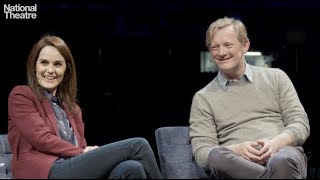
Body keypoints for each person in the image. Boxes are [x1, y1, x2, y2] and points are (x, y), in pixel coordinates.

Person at [7, 35, 163, 179]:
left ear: (66, 70)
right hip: (45, 171)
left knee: (132, 168)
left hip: (72, 168)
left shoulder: (72, 108)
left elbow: (79, 147)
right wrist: (82, 152)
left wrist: (82, 153)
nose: (50, 70)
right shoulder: (21, 95)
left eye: (57, 64)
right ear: (34, 66)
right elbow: (42, 139)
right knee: (138, 145)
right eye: (44, 62)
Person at [189, 16, 310, 179]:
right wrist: (236, 150)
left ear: (245, 45)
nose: (221, 53)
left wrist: (276, 143)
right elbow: (202, 152)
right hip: (238, 167)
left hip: (282, 155)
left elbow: (300, 122)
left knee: (282, 160)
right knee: (216, 156)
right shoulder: (203, 98)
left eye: (227, 45)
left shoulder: (276, 77)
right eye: (214, 47)